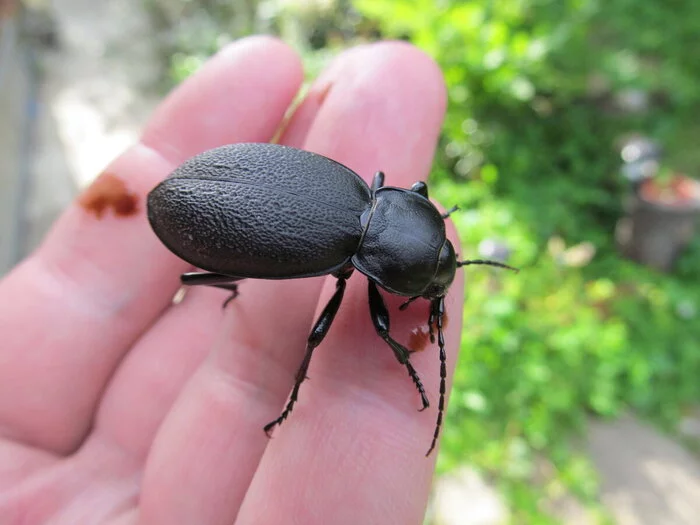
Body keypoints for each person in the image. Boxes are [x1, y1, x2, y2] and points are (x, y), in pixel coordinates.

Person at [0, 36, 464, 524]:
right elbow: (378, 327)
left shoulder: (365, 190)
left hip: (227, 179)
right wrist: (408, 364)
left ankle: (227, 285)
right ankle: (234, 295)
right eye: (428, 285)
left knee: (204, 276)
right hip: (205, 199)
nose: (434, 293)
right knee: (334, 326)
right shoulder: (348, 237)